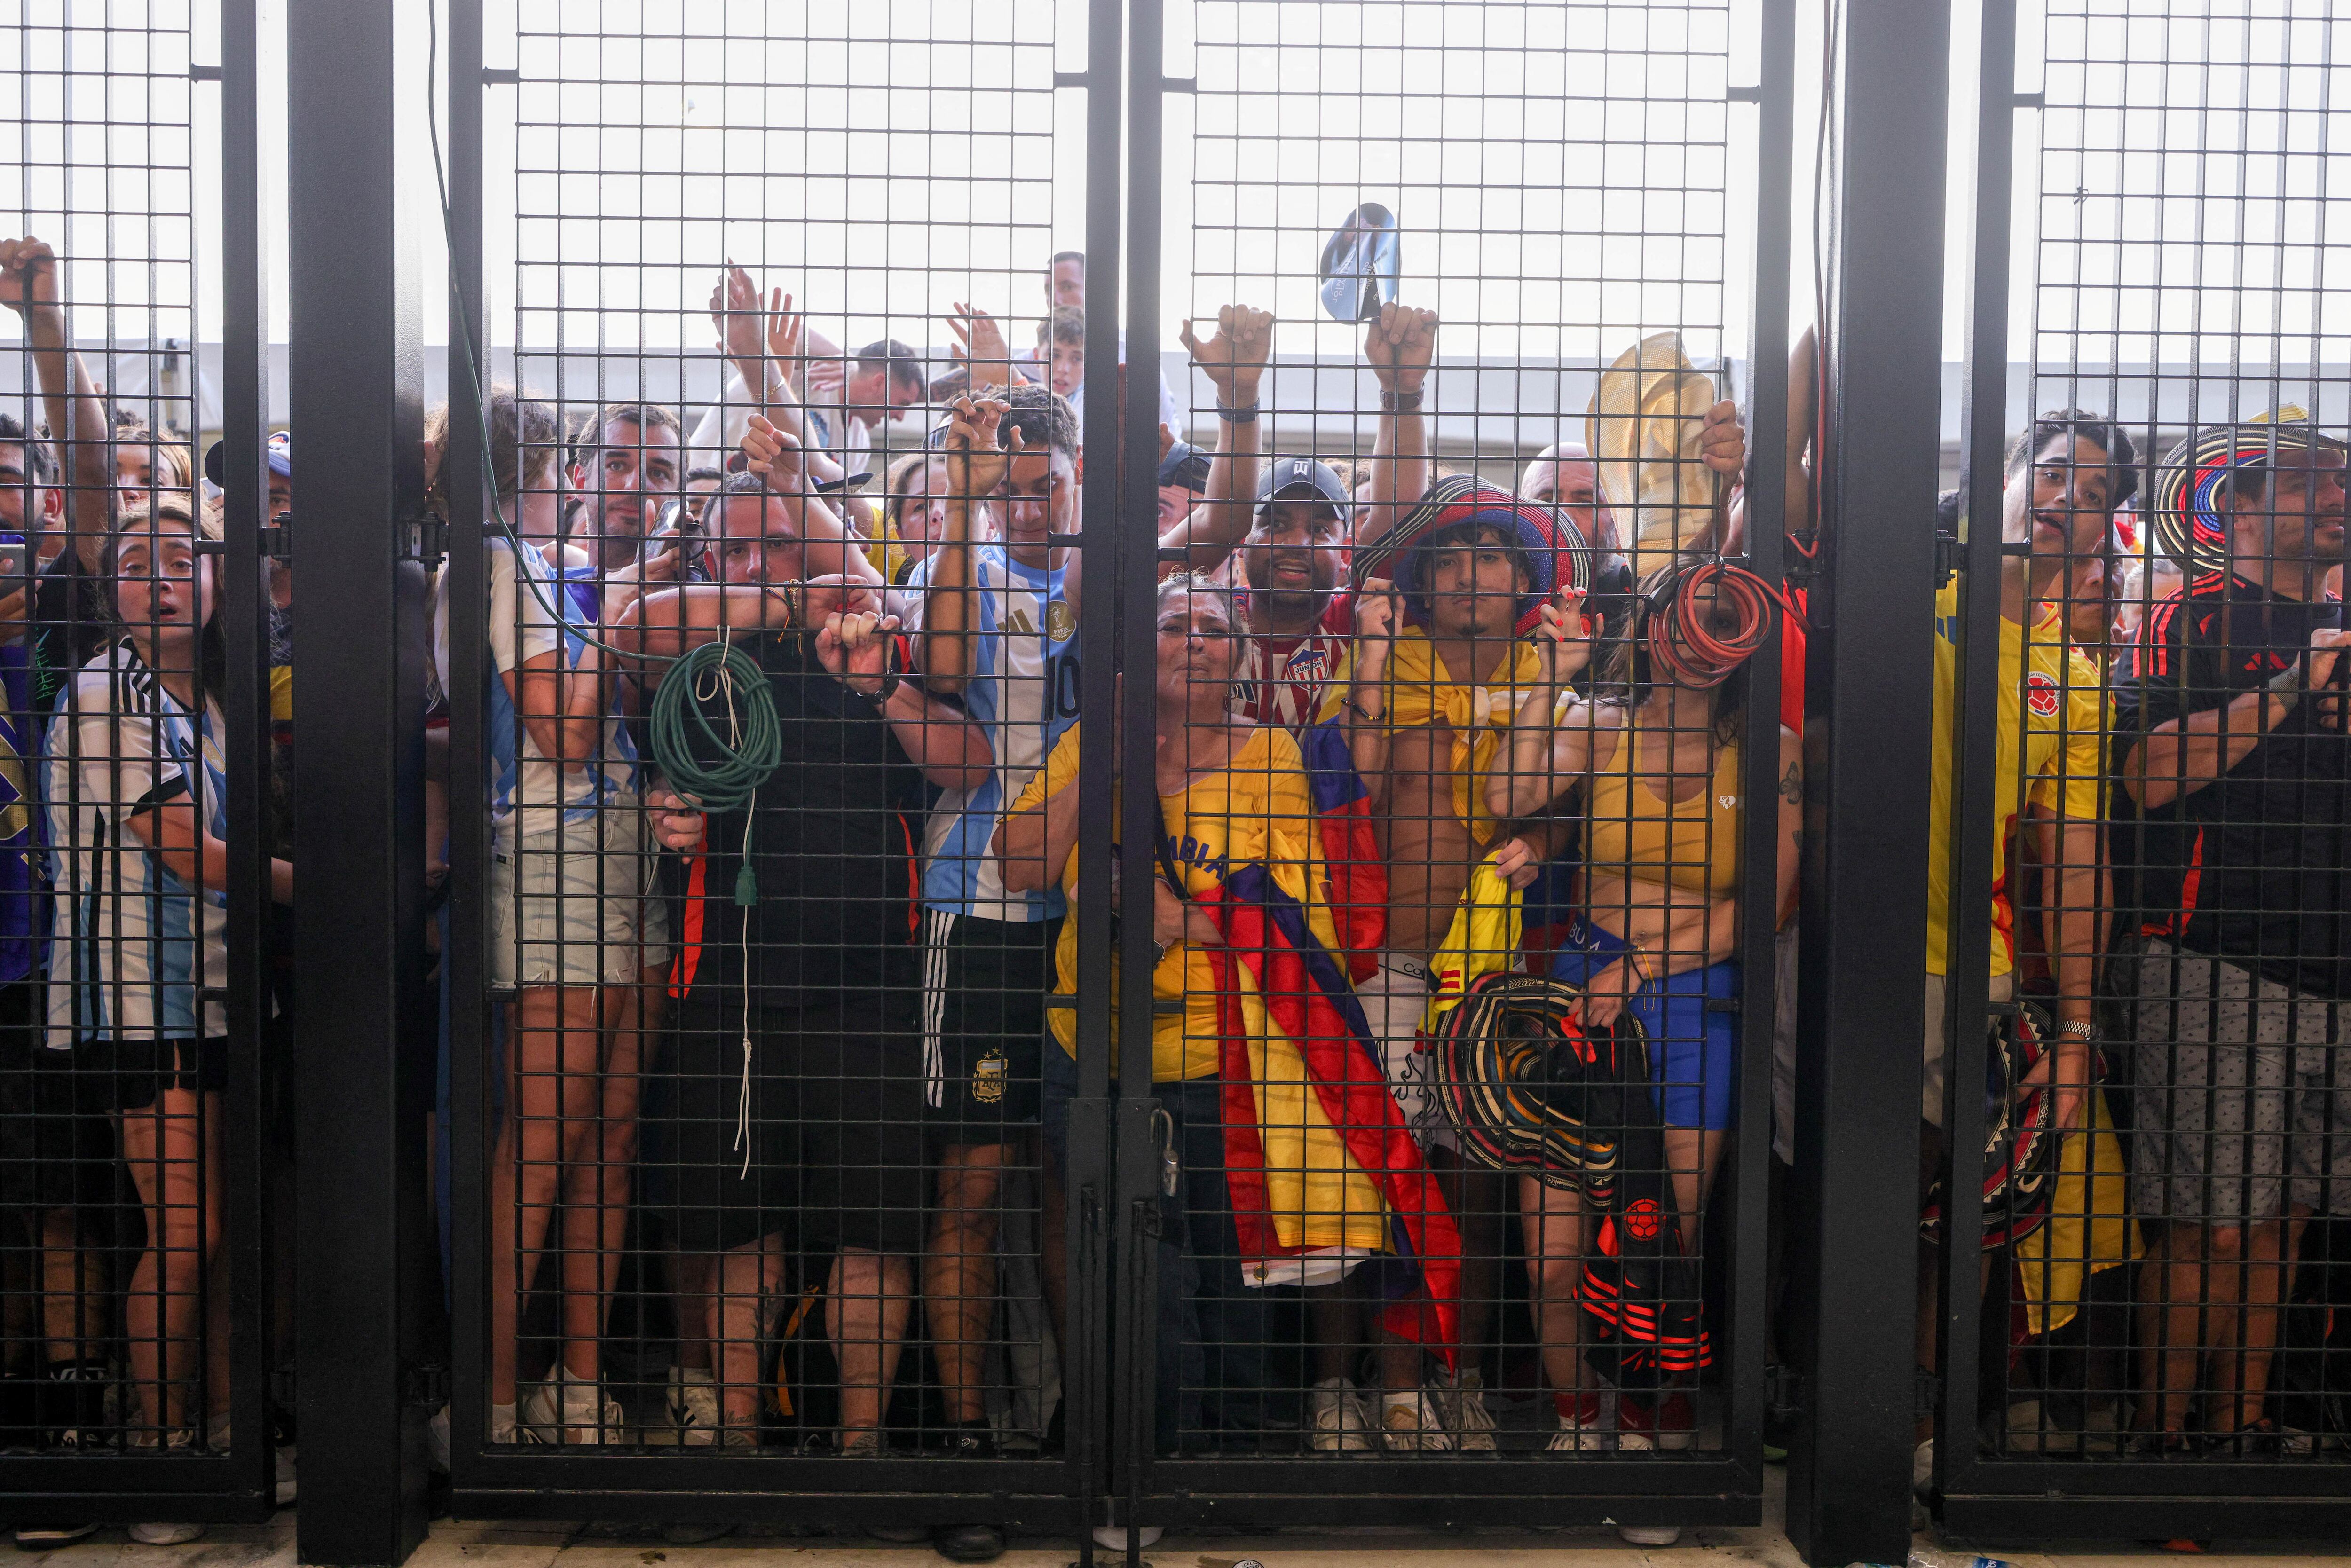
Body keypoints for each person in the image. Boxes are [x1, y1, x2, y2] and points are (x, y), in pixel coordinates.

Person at [1329, 367, 1748, 1453]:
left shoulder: (1567, 664)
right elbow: (1354, 785)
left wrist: (1550, 838)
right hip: (1391, 959)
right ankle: (1374, 1387)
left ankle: (1464, 1384)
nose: (1473, 570)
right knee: (1369, 1174)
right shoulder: (1386, 655)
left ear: (1525, 575)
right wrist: (1374, 656)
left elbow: (1580, 799)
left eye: (1495, 554)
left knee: (1480, 1190)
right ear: (1423, 578)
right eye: (1453, 555)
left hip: (1524, 976)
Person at [997, 572, 1455, 1459]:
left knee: (1232, 1272)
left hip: (1226, 1059)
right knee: (1123, 1269)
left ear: (1239, 662)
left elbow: (1302, 919)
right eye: (1175, 625)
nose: (1196, 639)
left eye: (1214, 628)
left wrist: (1171, 918)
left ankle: (1229, 1467)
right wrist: (1110, 763)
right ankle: (1127, 1454)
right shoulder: (1094, 743)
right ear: (1140, 653)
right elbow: (1019, 865)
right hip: (1090, 1050)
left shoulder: (1273, 759)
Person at [628, 489, 988, 1459]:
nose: (756, 565)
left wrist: (877, 684)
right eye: (735, 550)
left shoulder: (878, 641)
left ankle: (861, 1452)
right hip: (727, 986)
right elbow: (632, 624)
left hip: (872, 984)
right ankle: (737, 1448)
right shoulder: (698, 663)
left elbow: (969, 762)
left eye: (778, 543)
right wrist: (672, 809)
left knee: (875, 1234)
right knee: (741, 1239)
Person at [1490, 561, 1800, 1455]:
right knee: (1550, 1251)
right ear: (1652, 625)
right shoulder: (1600, 724)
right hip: (1582, 998)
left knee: (1661, 1235)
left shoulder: (1774, 752)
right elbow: (1506, 795)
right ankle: (1577, 1414)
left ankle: (1644, 1412)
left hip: (1700, 1000)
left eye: (1719, 616)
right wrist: (1556, 673)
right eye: (1682, 612)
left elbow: (1767, 907)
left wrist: (1646, 967)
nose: (1698, 635)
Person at [44, 500, 295, 1544]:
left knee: (223, 1231)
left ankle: (226, 1439)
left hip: (222, 991)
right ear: (112, 590)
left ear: (215, 577)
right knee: (183, 1232)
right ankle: (160, 1455)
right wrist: (325, 887)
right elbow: (183, 845)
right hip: (140, 998)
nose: (157, 580)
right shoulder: (112, 691)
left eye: (179, 560)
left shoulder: (213, 694)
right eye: (135, 564)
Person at [2113, 417, 2351, 1454]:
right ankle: (2159, 1442)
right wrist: (2299, 680)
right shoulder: (2187, 619)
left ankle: (2238, 1430)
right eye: (2308, 482)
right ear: (2238, 508)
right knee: (2208, 1222)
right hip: (2216, 960)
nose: (2337, 497)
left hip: (2337, 968)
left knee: (2285, 1222)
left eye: (2341, 482)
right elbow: (2145, 775)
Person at [1905, 412, 2121, 1496]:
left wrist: (2077, 1032)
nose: (2063, 499)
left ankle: (1937, 1432)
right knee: (1832, 1196)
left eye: (2090, 492)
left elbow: (2074, 865)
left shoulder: (2075, 683)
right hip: (1844, 963)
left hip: (1974, 980)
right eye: (2049, 475)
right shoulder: (1908, 596)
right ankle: (1819, 1415)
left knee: (1964, 1218)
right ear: (1998, 481)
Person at [567, 402, 683, 576]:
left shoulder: (707, 596)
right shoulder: (545, 591)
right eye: (616, 466)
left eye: (658, 473)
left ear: (679, 494)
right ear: (581, 481)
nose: (636, 485)